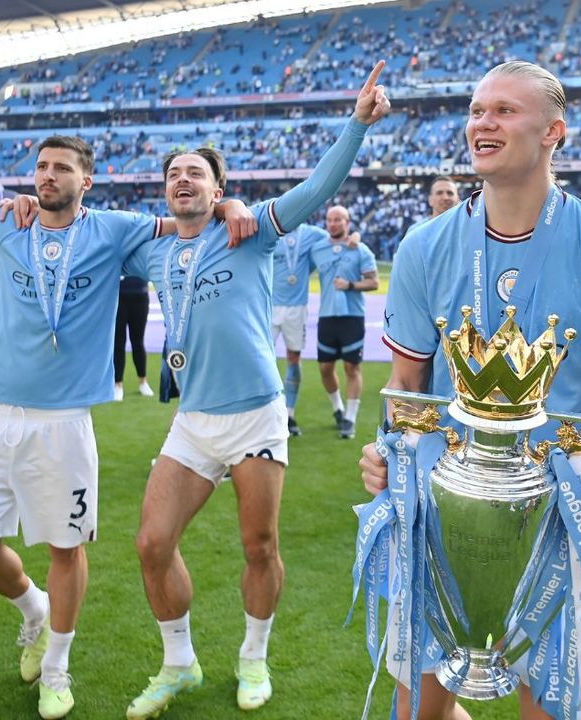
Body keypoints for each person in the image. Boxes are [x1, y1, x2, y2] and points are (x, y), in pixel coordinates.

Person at [0, 41, 252, 720]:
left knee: (67, 548)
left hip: (64, 423)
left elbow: (191, 212)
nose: (48, 175)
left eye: (62, 167)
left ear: (86, 180)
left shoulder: (119, 229)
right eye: (40, 166)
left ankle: (58, 668)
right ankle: (31, 609)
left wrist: (231, 200)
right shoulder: (5, 220)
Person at [359, 60, 581, 720]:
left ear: (554, 132)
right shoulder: (424, 247)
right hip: (440, 514)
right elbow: (405, 385)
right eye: (477, 110)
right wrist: (384, 452)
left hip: (556, 521)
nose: (483, 122)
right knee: (417, 714)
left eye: (505, 110)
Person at [121, 62, 389, 719]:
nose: (183, 180)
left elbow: (316, 187)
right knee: (153, 544)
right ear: (165, 192)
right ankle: (179, 664)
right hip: (193, 420)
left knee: (259, 546)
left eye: (197, 174)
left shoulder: (250, 231)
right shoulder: (151, 250)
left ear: (218, 191)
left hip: (254, 417)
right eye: (173, 174)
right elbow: (81, 228)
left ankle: (253, 656)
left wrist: (356, 124)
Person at [312, 205, 379, 439]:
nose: (333, 223)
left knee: (352, 367)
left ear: (347, 222)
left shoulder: (360, 250)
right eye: (330, 219)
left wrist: (350, 285)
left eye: (338, 219)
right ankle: (338, 409)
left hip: (352, 316)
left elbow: (374, 282)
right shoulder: (317, 249)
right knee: (325, 368)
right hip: (326, 316)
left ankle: (350, 418)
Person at [271, 222, 329, 436]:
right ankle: (266, 411)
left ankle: (289, 414)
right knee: (262, 358)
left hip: (297, 307)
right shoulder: (272, 229)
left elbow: (333, 237)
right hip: (269, 305)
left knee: (294, 359)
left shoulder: (312, 233)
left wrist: (354, 237)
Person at [114, 273, 154, 401]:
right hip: (118, 297)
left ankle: (143, 382)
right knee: (118, 343)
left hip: (139, 296)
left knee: (138, 341)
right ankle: (117, 384)